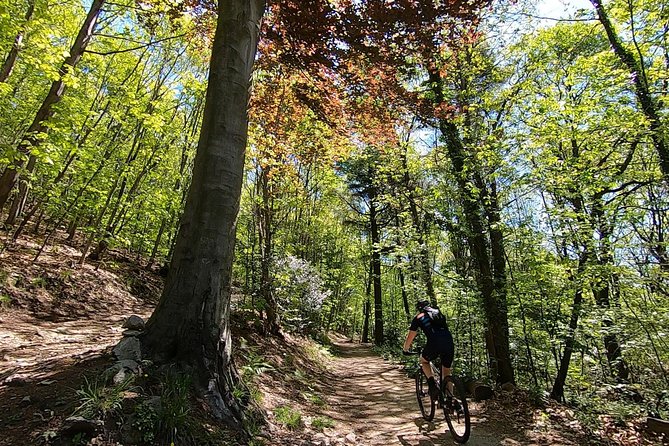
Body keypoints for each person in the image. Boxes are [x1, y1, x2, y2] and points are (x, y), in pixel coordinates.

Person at [403, 299, 454, 401]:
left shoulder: (419, 317)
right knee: (446, 372)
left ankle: (432, 386)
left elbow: (411, 336)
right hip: (449, 342)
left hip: (434, 343)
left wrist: (405, 348)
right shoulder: (438, 313)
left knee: (423, 361)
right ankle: (451, 400)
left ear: (419, 308)